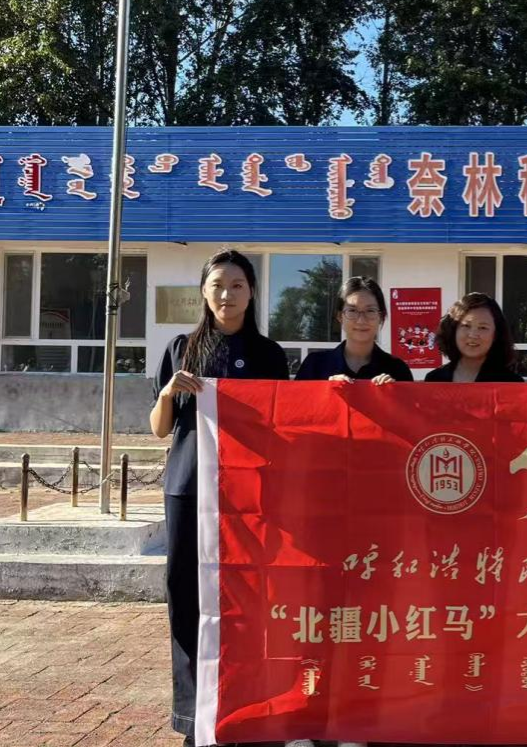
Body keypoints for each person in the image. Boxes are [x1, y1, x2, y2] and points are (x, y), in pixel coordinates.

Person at [150, 250, 289, 746]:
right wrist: (168, 393)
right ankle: (194, 716)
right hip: (189, 488)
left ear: (251, 292)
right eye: (217, 285)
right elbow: (160, 428)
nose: (226, 294)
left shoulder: (270, 355)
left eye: (237, 285)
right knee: (186, 594)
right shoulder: (181, 348)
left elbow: (281, 424)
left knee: (248, 597)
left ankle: (246, 704)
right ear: (203, 292)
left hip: (248, 495)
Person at [295, 276, 412, 384]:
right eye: (352, 311)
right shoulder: (315, 365)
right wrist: (325, 390)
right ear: (340, 316)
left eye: (370, 311)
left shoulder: (398, 370)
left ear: (381, 317)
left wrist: (394, 393)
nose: (361, 320)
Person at [425, 292, 523, 382]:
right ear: (453, 331)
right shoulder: (434, 379)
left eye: (483, 327)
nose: (473, 335)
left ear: (496, 334)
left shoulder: (511, 382)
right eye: (466, 326)